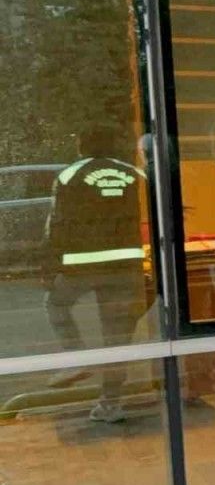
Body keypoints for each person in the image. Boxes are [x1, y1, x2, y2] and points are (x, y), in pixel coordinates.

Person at [44, 124, 149, 422]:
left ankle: (77, 357)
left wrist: (49, 267)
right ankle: (110, 404)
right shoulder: (134, 174)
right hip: (126, 265)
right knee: (117, 337)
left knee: (56, 303)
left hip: (82, 265)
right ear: (112, 145)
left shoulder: (69, 175)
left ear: (82, 145)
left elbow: (56, 225)